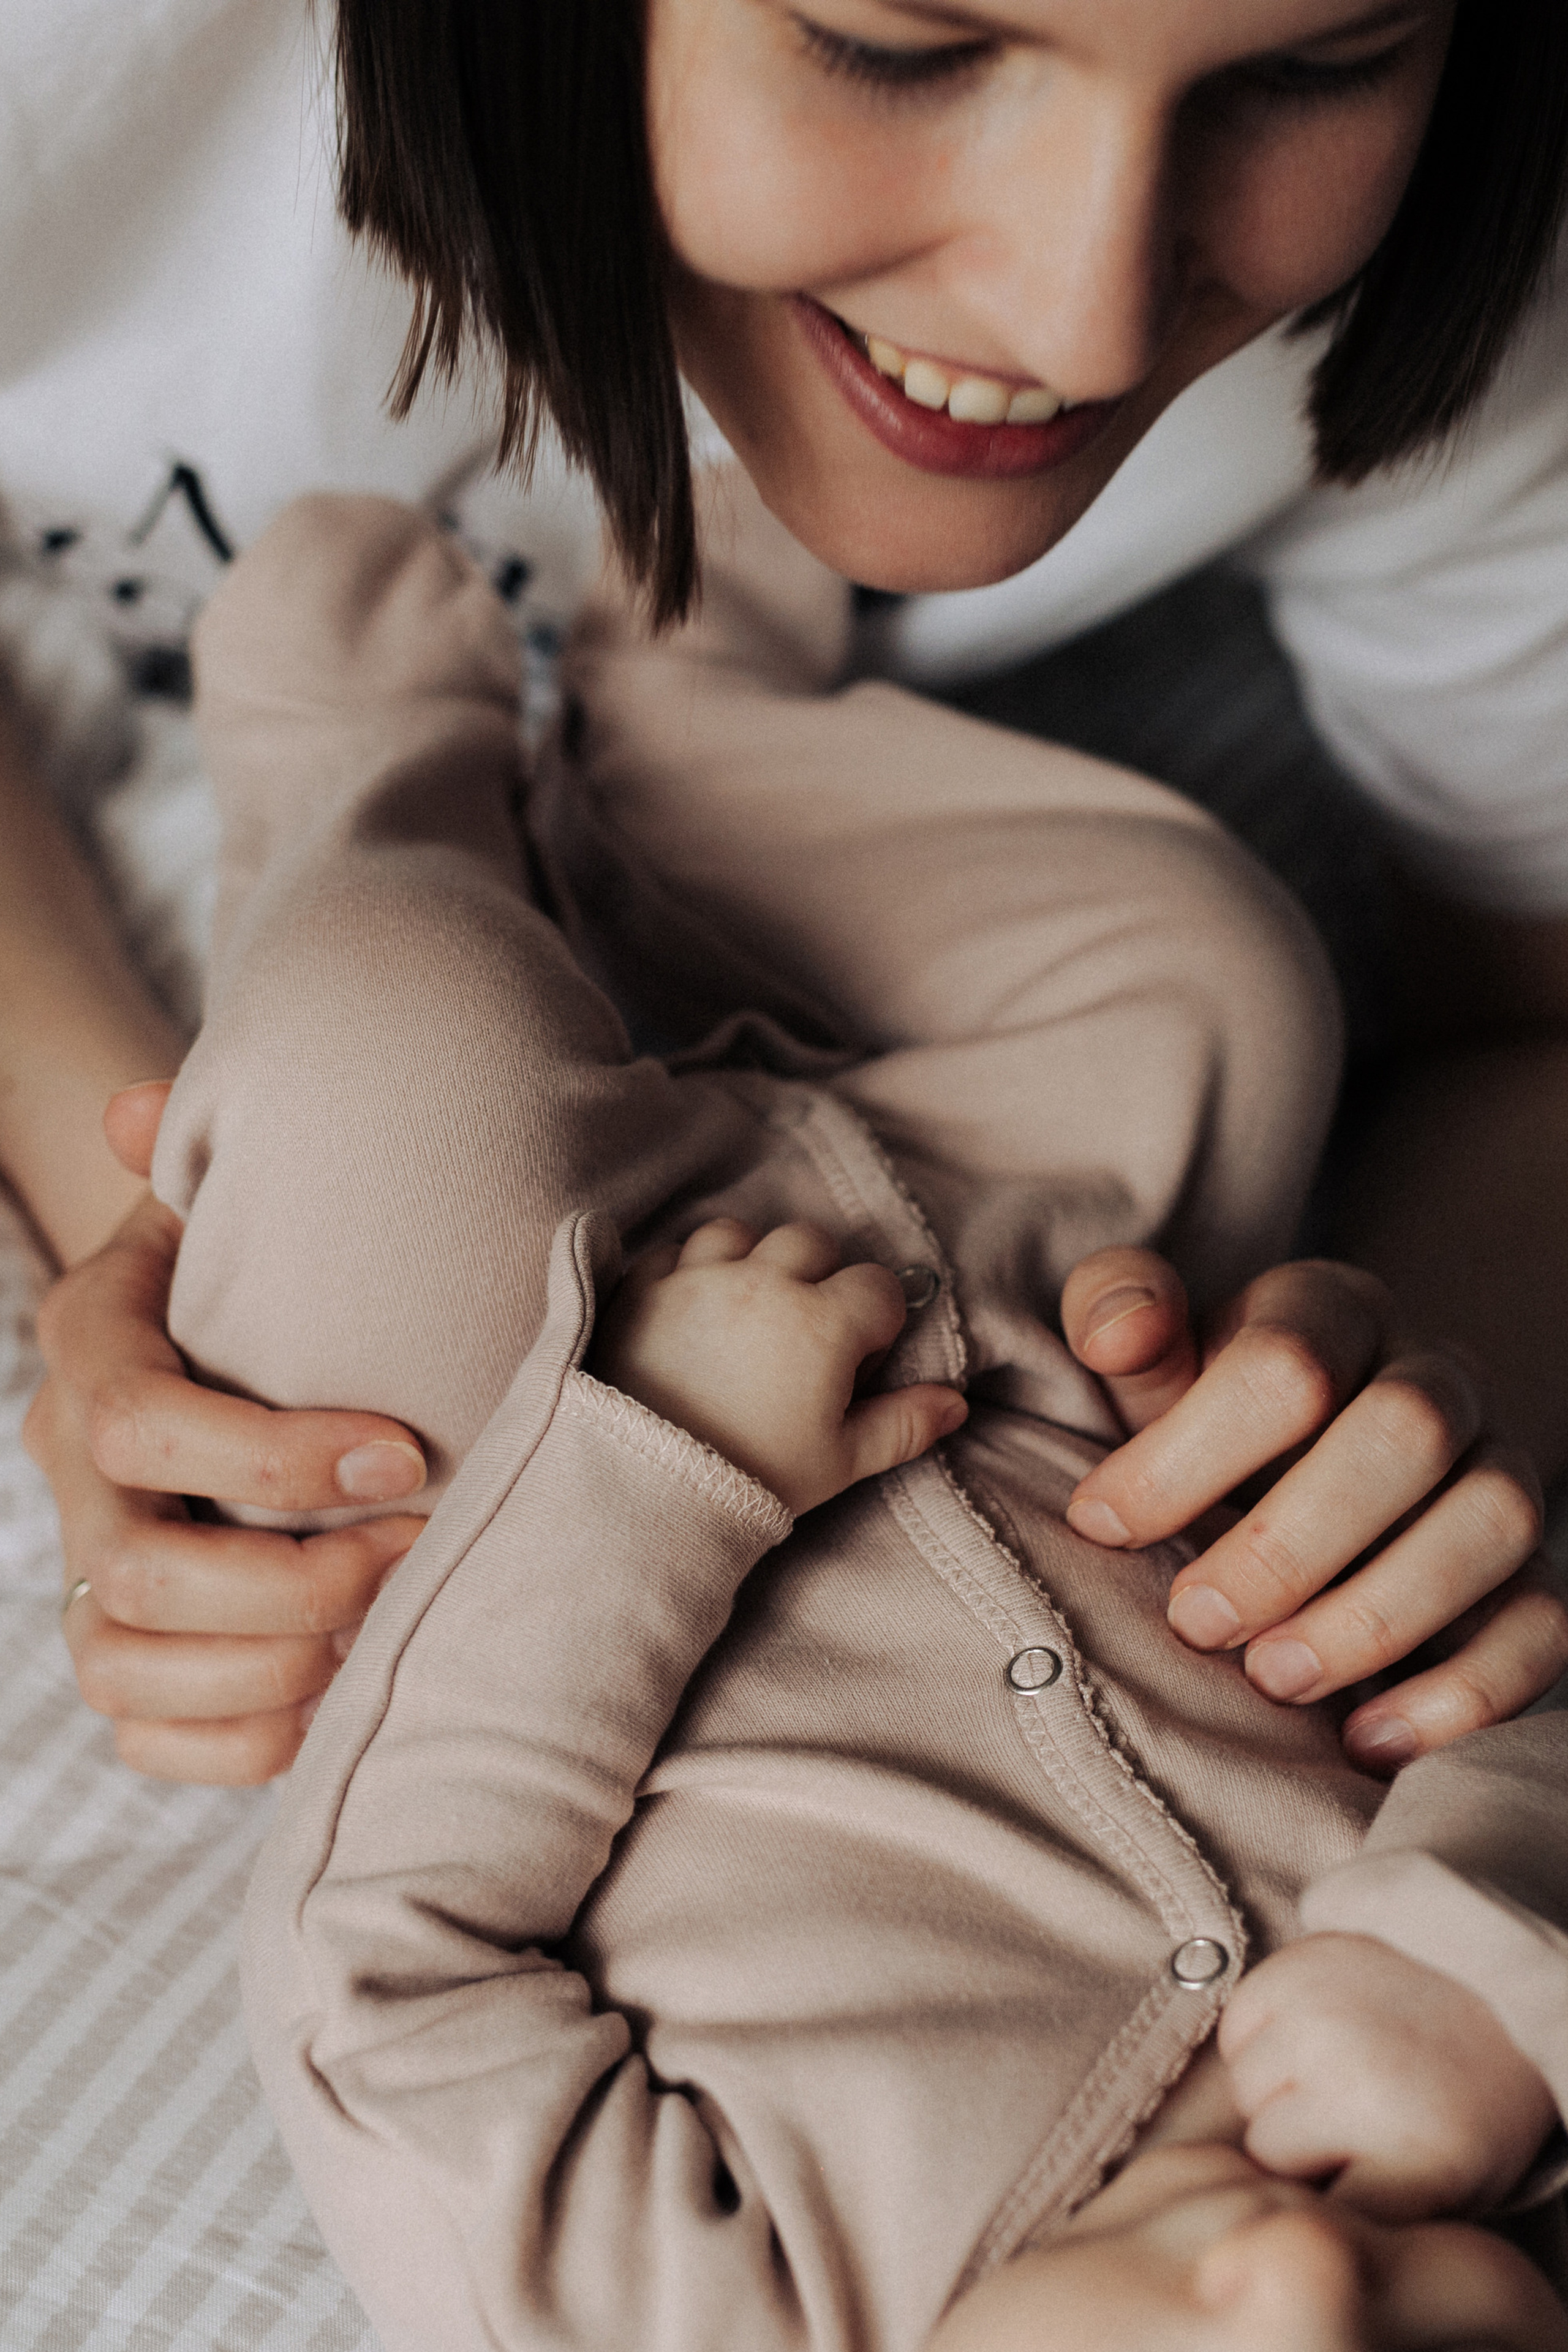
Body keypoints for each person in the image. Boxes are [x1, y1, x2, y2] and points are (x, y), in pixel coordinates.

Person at [20, 0, 1568, 1780]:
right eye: (894, 47)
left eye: (1312, 70)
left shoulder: (1486, 270)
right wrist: (130, 1231)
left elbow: (1533, 1029)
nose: (1084, 312)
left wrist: (1377, 1424)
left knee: (1226, 993)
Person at [163, 493, 1568, 2351]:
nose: (1304, 2285)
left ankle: (367, 764)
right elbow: (1512, 1693)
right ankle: (694, 719)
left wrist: (663, 1459)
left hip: (511, 1439)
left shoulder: (703, 2320)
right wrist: (1489, 1955)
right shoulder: (1494, 2119)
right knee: (1218, 977)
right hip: (1046, 1322)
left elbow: (386, 1978)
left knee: (377, 1060)